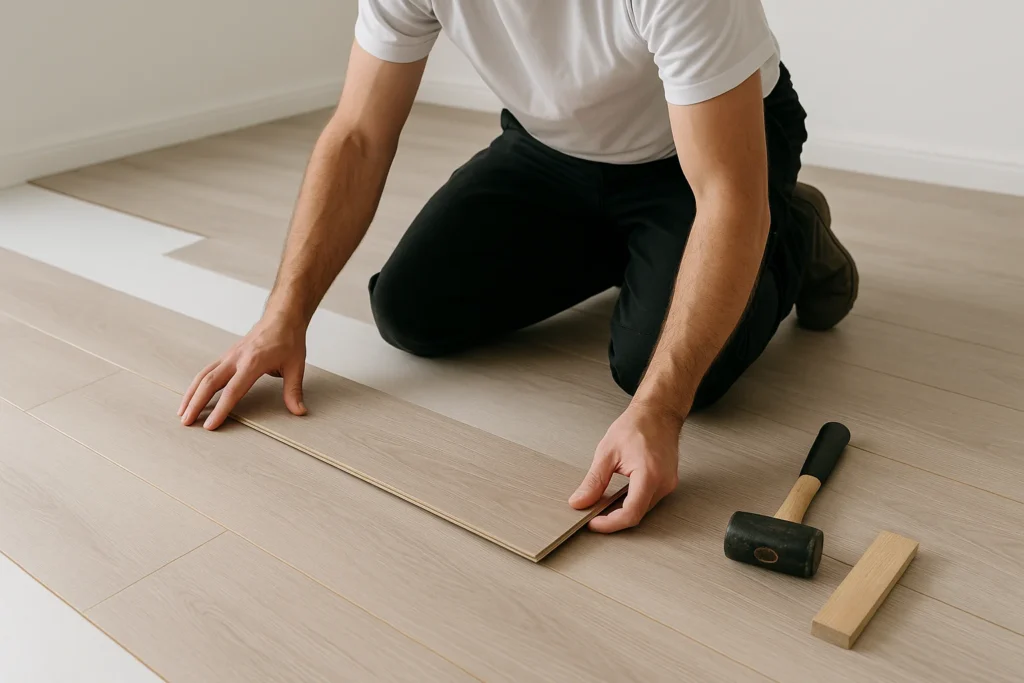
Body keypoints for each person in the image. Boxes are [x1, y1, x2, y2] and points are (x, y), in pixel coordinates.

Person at [178, 0, 858, 533]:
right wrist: (283, 315)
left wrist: (658, 408)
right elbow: (358, 135)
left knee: (662, 371)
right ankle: (646, 255)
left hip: (704, 159)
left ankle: (795, 226)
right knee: (409, 310)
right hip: (555, 150)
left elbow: (726, 197)